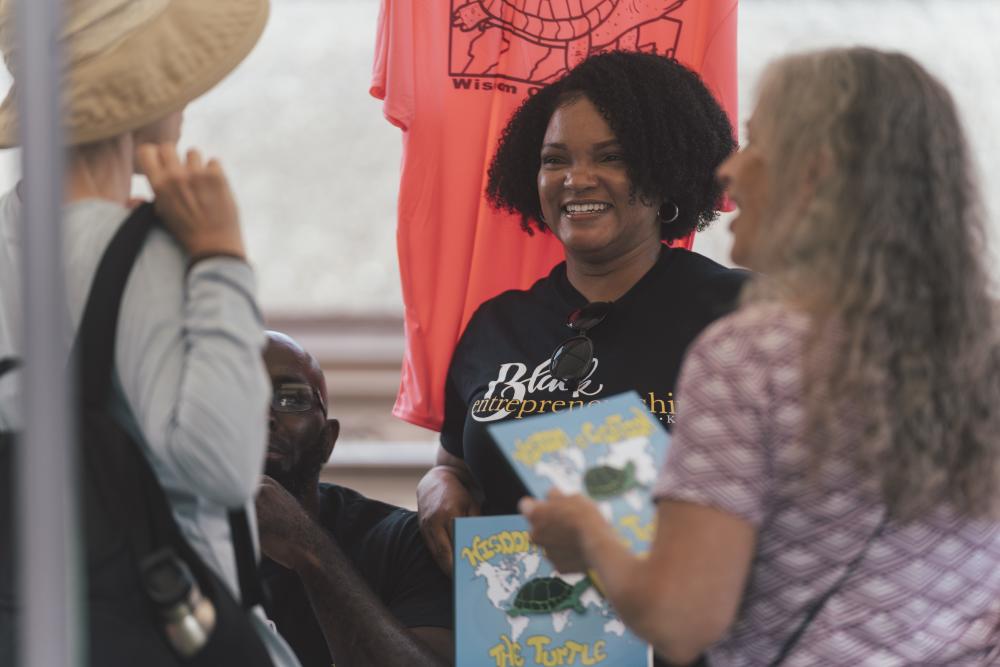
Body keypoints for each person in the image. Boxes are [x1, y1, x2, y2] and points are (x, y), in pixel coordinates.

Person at [521, 47, 1000, 665]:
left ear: (814, 172)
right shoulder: (986, 339)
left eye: (755, 143)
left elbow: (682, 618)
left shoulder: (750, 358)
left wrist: (587, 535)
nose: (728, 171)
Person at [0, 1, 302, 665]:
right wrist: (223, 261)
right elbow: (222, 467)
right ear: (138, 97)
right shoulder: (147, 256)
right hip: (171, 628)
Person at [416, 51, 747, 574]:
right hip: (523, 636)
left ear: (664, 172)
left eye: (611, 157)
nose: (577, 178)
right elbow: (456, 462)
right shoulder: (497, 324)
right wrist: (438, 484)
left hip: (683, 633)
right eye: (555, 159)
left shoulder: (736, 314)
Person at [256, 332, 453, 667]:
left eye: (291, 399)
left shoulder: (402, 542)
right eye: (238, 396)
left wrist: (310, 549)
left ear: (328, 439)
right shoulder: (158, 535)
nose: (265, 415)